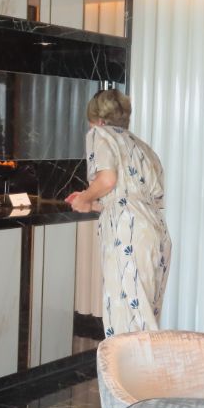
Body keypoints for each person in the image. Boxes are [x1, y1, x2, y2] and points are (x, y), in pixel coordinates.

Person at [65, 89, 171, 338]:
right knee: (145, 318)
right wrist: (93, 204)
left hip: (128, 236)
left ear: (98, 119)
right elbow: (136, 200)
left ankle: (126, 377)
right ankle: (145, 375)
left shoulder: (99, 134)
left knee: (126, 321)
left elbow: (108, 179)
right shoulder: (140, 145)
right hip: (155, 233)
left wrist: (84, 197)